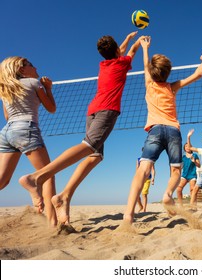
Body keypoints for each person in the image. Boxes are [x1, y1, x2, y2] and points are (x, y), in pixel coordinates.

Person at [19, 32, 144, 227]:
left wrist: (127, 39)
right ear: (117, 52)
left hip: (92, 110)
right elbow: (132, 50)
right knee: (88, 146)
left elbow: (121, 50)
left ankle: (64, 196)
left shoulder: (104, 65)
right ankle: (36, 177)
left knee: (96, 155)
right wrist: (141, 42)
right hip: (107, 110)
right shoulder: (121, 63)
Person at [123, 36, 202, 225]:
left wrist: (145, 47)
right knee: (176, 171)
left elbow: (145, 65)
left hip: (154, 130)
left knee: (143, 170)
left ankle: (128, 214)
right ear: (168, 72)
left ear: (152, 73)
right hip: (173, 130)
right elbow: (198, 75)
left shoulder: (149, 84)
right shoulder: (172, 87)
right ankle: (168, 194)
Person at [0, 56, 57, 226]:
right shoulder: (35, 83)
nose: (36, 66)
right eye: (31, 64)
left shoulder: (6, 90)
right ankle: (52, 223)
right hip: (26, 128)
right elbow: (51, 108)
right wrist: (48, 89)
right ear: (21, 69)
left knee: (2, 180)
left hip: (7, 132)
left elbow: (7, 116)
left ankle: (36, 194)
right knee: (48, 174)